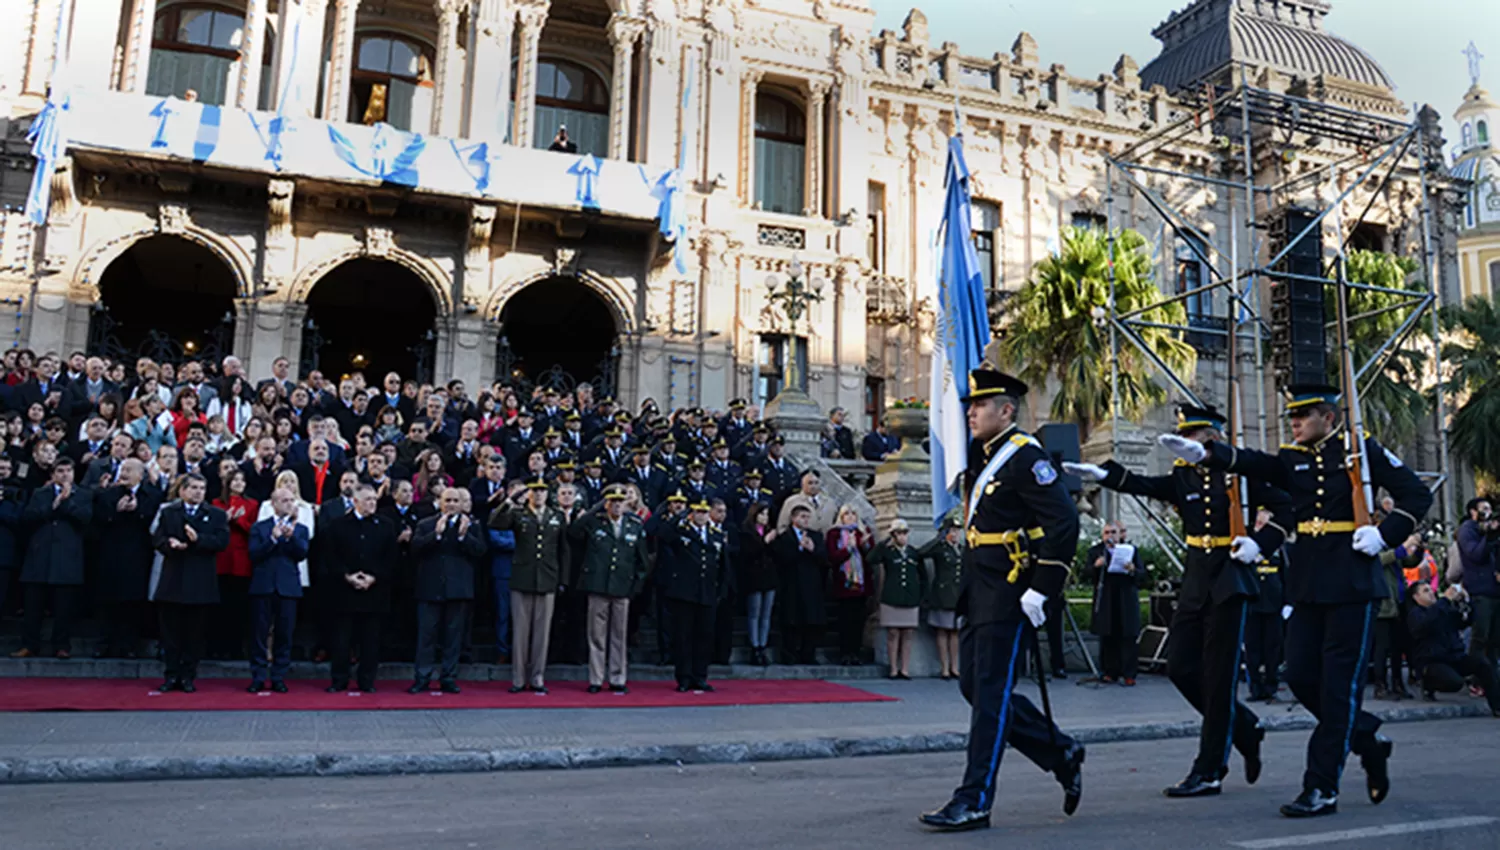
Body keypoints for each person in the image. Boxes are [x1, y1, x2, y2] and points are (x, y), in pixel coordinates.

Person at [1158, 383, 1433, 817]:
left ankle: (1321, 786)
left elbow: (1418, 494)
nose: (1294, 423)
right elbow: (1257, 464)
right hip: (1307, 585)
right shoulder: (1293, 459)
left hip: (1352, 582)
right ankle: (1368, 740)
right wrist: (1208, 454)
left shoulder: (1360, 451)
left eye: (1303, 416)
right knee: (1303, 677)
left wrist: (1386, 533)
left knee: (1339, 688)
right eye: (1292, 416)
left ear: (1330, 416)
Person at [1066, 404, 1291, 797]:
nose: (1185, 443)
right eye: (1183, 437)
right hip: (1196, 580)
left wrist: (1260, 543)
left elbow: (1288, 507)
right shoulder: (1183, 475)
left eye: (1194, 437)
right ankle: (1244, 728)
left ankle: (1210, 769)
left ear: (1215, 439)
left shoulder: (1240, 476)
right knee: (1181, 668)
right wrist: (1106, 474)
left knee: (1220, 680)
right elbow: (1147, 485)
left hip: (1230, 577)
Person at [920, 367, 1083, 833]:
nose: (970, 411)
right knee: (974, 687)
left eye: (980, 405)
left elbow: (1065, 523)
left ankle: (974, 799)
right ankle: (1060, 750)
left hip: (1011, 590)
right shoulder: (985, 455)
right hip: (981, 586)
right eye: (970, 404)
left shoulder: (1025, 457)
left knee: (989, 696)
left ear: (1006, 410)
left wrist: (1042, 588)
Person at [151, 473, 230, 692]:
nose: (198, 492)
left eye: (201, 488)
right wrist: (170, 543)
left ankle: (188, 676)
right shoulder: (169, 513)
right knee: (170, 633)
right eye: (193, 487)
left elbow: (222, 541)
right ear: (182, 490)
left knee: (194, 634)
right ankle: (171, 674)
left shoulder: (216, 515)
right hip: (173, 581)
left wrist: (198, 540)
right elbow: (157, 539)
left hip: (200, 583)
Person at [489, 476, 567, 694]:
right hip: (522, 577)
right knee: (521, 631)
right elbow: (495, 522)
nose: (539, 494)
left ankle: (538, 677)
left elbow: (563, 550)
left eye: (543, 490)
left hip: (547, 577)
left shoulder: (556, 516)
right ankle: (518, 678)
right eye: (535, 490)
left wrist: (562, 579)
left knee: (542, 633)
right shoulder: (518, 514)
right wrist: (509, 500)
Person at [571, 488, 649, 693]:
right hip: (598, 585)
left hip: (622, 587)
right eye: (612, 501)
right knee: (596, 635)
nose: (616, 505)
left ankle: (617, 677)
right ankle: (596, 678)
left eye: (620, 502)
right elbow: (574, 531)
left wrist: (635, 587)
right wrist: (593, 509)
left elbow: (642, 561)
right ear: (606, 503)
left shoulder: (634, 525)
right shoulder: (595, 522)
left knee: (618, 635)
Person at [323, 484, 399, 693]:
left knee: (371, 641)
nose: (372, 503)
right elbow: (330, 556)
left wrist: (374, 577)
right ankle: (339, 679)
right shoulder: (338, 525)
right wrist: (347, 575)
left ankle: (367, 681)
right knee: (341, 640)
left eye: (374, 499)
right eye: (367, 499)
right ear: (355, 502)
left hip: (375, 591)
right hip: (344, 591)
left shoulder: (386, 525)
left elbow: (391, 557)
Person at [410, 487, 486, 694]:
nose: (451, 504)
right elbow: (415, 548)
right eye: (448, 500)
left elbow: (480, 552)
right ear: (440, 502)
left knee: (453, 638)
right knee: (426, 637)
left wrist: (463, 537)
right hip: (430, 588)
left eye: (455, 500)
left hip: (458, 589)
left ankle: (448, 677)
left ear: (462, 504)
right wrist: (436, 534)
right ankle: (422, 678)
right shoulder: (426, 524)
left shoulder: (471, 526)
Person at [14, 459, 93, 659]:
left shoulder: (83, 494)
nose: (65, 474)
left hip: (67, 558)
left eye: (68, 470)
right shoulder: (40, 494)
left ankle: (61, 645)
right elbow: (28, 517)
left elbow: (85, 518)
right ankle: (30, 645)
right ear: (53, 474)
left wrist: (67, 503)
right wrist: (53, 505)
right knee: (33, 607)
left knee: (64, 607)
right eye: (60, 471)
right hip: (40, 556)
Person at [658, 499, 729, 691]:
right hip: (685, 593)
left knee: (704, 636)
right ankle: (684, 677)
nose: (701, 516)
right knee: (683, 637)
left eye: (705, 512)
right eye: (697, 512)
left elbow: (722, 564)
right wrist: (678, 517)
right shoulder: (682, 532)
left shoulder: (716, 535)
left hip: (707, 592)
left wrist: (722, 590)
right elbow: (663, 535)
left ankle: (700, 675)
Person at [246, 488, 311, 693]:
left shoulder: (300, 529)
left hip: (288, 587)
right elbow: (254, 554)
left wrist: (290, 538)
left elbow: (301, 554)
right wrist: (272, 539)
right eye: (284, 500)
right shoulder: (260, 527)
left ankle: (278, 676)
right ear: (274, 503)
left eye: (292, 500)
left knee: (285, 633)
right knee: (259, 633)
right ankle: (258, 675)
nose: (289, 504)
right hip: (263, 585)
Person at [1407, 581, 1500, 715]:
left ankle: (1497, 706)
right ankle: (1428, 684)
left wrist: (1465, 602)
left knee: (1483, 664)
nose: (1431, 593)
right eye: (1425, 591)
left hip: (1454, 656)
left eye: (1430, 590)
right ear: (1416, 597)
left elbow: (1464, 621)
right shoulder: (1416, 613)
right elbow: (1426, 623)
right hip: (1432, 660)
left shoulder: (1442, 608)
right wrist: (1444, 600)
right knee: (1454, 683)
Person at [1080, 522, 1147, 685]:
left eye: (1113, 532)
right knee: (1108, 635)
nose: (1110, 536)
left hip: (1126, 597)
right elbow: (1085, 574)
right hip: (1106, 597)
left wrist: (1132, 570)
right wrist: (1096, 566)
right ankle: (1110, 672)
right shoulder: (1096, 551)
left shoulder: (1130, 550)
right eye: (1107, 533)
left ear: (1120, 534)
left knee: (1128, 636)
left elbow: (1142, 574)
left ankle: (1129, 673)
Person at [209, 468, 258, 660]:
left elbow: (254, 530)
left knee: (238, 607)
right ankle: (216, 647)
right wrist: (225, 519)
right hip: (220, 560)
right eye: (234, 480)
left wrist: (239, 521)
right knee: (219, 606)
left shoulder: (252, 504)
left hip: (241, 562)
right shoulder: (216, 504)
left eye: (242, 480)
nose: (238, 483)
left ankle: (236, 648)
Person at [770, 503, 826, 665]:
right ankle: (789, 655)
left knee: (811, 622)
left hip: (811, 585)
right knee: (790, 621)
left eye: (808, 517)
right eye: (802, 517)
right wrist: (799, 550)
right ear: (793, 518)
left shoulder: (815, 536)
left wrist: (812, 549)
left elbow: (824, 559)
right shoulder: (784, 537)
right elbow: (780, 559)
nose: (806, 520)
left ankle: (808, 654)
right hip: (791, 585)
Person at [872, 518, 926, 680]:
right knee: (893, 633)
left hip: (910, 597)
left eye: (904, 533)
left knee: (908, 633)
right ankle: (893, 668)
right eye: (898, 534)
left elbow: (922, 576)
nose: (902, 537)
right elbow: (871, 559)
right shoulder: (888, 552)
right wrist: (884, 543)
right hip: (892, 596)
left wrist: (921, 595)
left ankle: (905, 668)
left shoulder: (913, 553)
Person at [1244, 509, 1286, 703]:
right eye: (1259, 515)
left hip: (1274, 604)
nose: (1261, 519)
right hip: (1252, 603)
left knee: (1272, 649)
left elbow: (1288, 575)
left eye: (1266, 515)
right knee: (1252, 650)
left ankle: (1271, 686)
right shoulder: (1248, 541)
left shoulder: (1278, 545)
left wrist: (1289, 602)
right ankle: (1254, 688)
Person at [1455, 497, 1500, 672]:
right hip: (1480, 591)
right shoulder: (1467, 530)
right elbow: (1475, 554)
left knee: (1495, 639)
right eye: (1483, 509)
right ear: (1473, 512)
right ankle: (1476, 676)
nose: (1487, 513)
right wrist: (1489, 537)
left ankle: (1491, 675)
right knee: (1480, 637)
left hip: (1495, 590)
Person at [826, 504, 874, 666]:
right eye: (847, 513)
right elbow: (833, 557)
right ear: (841, 516)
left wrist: (865, 545)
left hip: (861, 584)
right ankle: (845, 652)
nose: (851, 516)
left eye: (854, 513)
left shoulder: (862, 531)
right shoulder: (834, 533)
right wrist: (849, 548)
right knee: (845, 620)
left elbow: (871, 558)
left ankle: (856, 652)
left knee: (858, 621)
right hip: (844, 583)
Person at [922, 518, 964, 680]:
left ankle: (954, 666)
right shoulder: (940, 549)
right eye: (951, 531)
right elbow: (922, 553)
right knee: (942, 631)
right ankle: (944, 667)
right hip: (943, 595)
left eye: (957, 531)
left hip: (957, 596)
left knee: (955, 632)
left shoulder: (961, 549)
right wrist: (937, 540)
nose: (955, 534)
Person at [738, 505, 777, 667]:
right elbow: (748, 553)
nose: (765, 517)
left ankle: (763, 645)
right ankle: (754, 646)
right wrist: (764, 541)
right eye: (762, 514)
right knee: (755, 612)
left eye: (767, 514)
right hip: (754, 576)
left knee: (766, 614)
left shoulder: (770, 531)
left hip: (769, 577)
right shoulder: (746, 532)